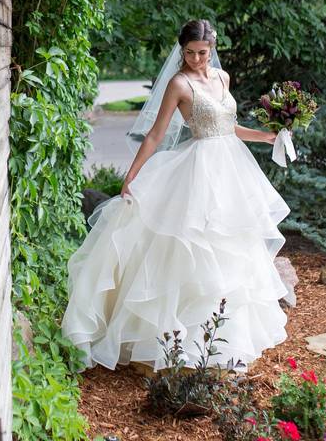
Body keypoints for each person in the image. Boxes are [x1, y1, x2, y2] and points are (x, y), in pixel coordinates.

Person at [61, 19, 291, 374]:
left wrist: (266, 137)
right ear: (181, 50)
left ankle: (219, 347)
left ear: (212, 48)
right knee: (186, 250)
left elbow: (228, 127)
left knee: (230, 251)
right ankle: (168, 344)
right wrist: (132, 175)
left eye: (202, 53)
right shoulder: (178, 83)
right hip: (196, 171)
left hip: (230, 171)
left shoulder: (222, 78)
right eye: (189, 53)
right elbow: (156, 134)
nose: (197, 60)